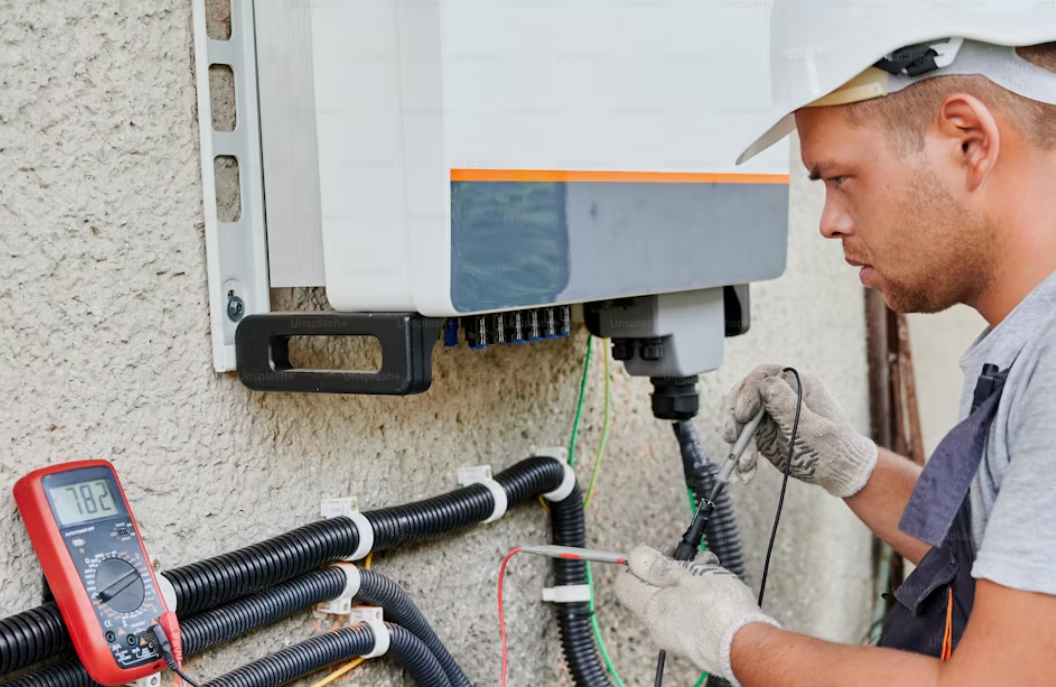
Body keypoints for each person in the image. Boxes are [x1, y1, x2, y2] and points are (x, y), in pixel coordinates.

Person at [614, 2, 1056, 686]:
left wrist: (736, 641)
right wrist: (855, 468)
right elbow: (999, 553)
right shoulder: (1029, 340)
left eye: (841, 177)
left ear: (968, 141)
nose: (828, 221)